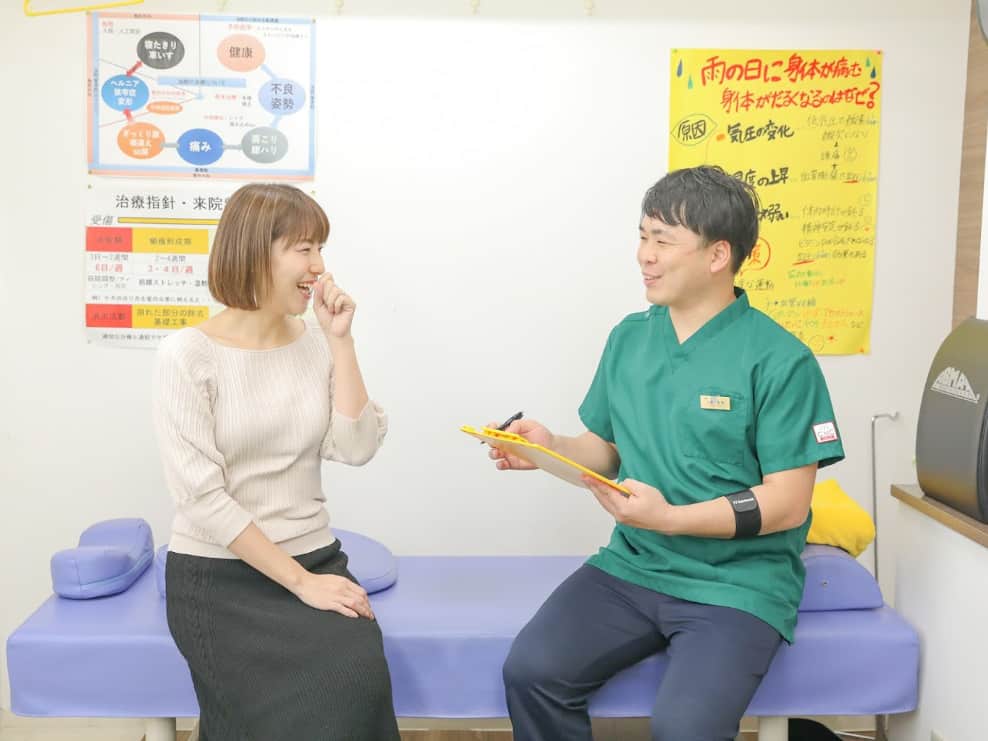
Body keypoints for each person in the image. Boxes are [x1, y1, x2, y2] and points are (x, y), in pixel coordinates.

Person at [495, 165, 845, 741]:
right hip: (634, 566)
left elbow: (787, 503)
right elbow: (604, 452)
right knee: (532, 672)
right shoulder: (630, 338)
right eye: (642, 236)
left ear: (717, 255)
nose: (644, 255)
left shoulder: (781, 360)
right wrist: (547, 448)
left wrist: (670, 518)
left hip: (737, 585)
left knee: (684, 729)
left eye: (663, 240)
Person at [152, 183, 400, 741]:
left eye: (320, 249)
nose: (319, 266)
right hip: (220, 578)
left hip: (314, 557)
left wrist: (341, 343)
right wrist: (300, 585)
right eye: (305, 249)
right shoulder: (188, 355)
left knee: (356, 689)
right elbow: (200, 497)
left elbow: (356, 448)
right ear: (254, 252)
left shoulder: (316, 342)